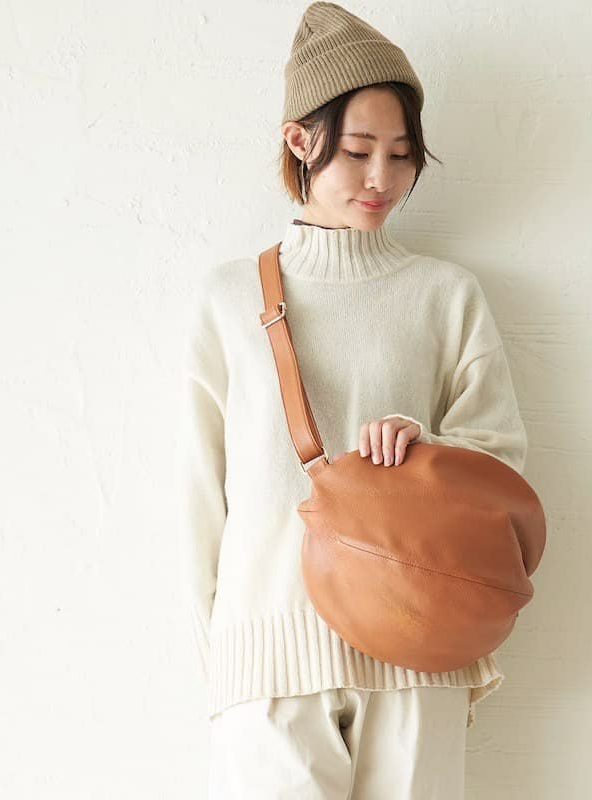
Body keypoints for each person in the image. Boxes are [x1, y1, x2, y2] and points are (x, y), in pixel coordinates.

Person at [176, 2, 529, 797]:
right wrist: (220, 666)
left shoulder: (446, 295)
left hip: (417, 652)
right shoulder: (229, 298)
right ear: (301, 142)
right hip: (267, 663)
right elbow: (200, 497)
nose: (382, 180)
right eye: (359, 151)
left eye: (401, 155)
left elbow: (500, 463)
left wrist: (424, 450)